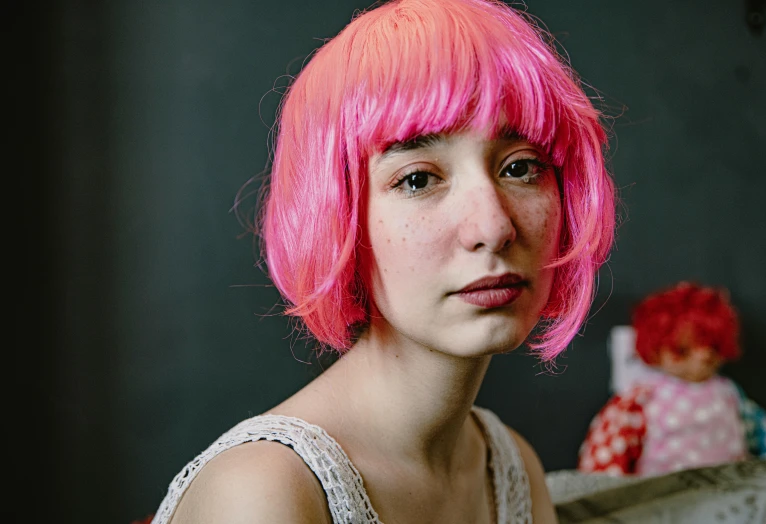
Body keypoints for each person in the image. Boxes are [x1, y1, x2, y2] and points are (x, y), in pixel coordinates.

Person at [151, 0, 615, 522]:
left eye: (521, 167)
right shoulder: (265, 494)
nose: (494, 227)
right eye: (418, 178)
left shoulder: (511, 467)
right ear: (339, 217)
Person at [578, 282, 766, 477]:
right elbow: (609, 447)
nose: (702, 357)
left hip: (729, 494)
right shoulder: (643, 398)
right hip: (668, 498)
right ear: (656, 352)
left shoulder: (729, 393)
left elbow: (765, 436)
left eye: (713, 348)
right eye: (682, 351)